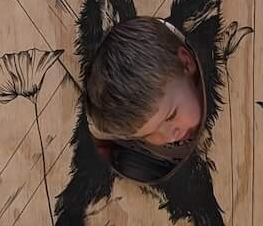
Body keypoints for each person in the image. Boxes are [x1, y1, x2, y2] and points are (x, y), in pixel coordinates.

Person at [81, 14, 209, 184]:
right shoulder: (110, 124)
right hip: (150, 159)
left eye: (171, 116)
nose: (171, 136)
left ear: (186, 63)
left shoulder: (203, 73)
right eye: (148, 134)